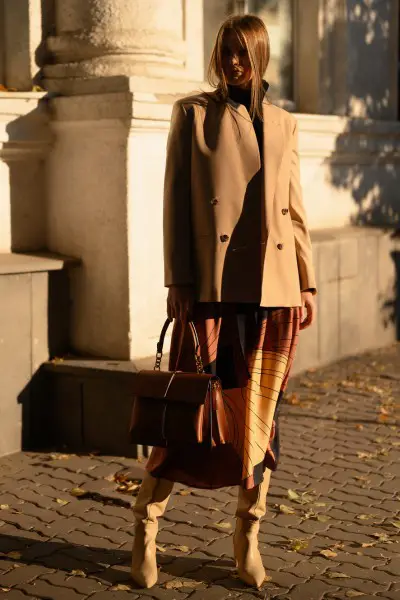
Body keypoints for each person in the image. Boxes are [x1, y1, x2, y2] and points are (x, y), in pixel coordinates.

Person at [131, 13, 317, 590]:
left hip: (274, 292)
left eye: (244, 52)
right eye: (226, 51)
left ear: (260, 56)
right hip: (212, 292)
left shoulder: (284, 122)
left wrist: (306, 283)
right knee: (189, 419)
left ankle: (248, 537)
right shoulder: (193, 114)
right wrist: (178, 281)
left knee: (260, 423)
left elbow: (294, 203)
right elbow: (175, 205)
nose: (234, 62)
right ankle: (145, 526)